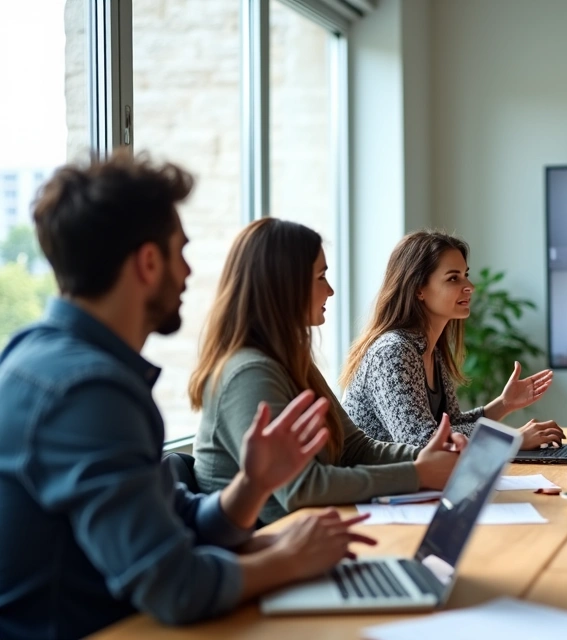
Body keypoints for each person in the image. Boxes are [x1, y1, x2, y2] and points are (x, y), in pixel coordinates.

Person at [0, 154, 374, 638]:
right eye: (181, 252)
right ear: (148, 263)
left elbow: (174, 520)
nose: (188, 271)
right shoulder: (87, 391)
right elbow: (175, 586)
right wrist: (289, 559)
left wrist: (252, 485)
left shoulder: (43, 358)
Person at [191, 219, 466, 525]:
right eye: (321, 277)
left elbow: (353, 448)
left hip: (307, 532)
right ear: (286, 285)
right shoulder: (249, 373)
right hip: (264, 542)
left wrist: (429, 458)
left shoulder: (291, 360)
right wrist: (417, 473)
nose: (331, 290)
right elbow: (301, 487)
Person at [342, 231, 562, 450]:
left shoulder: (430, 350)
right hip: (375, 473)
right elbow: (420, 441)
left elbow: (452, 425)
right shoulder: (393, 352)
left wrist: (504, 404)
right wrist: (512, 439)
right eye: (453, 278)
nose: (470, 286)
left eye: (465, 275)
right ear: (419, 289)